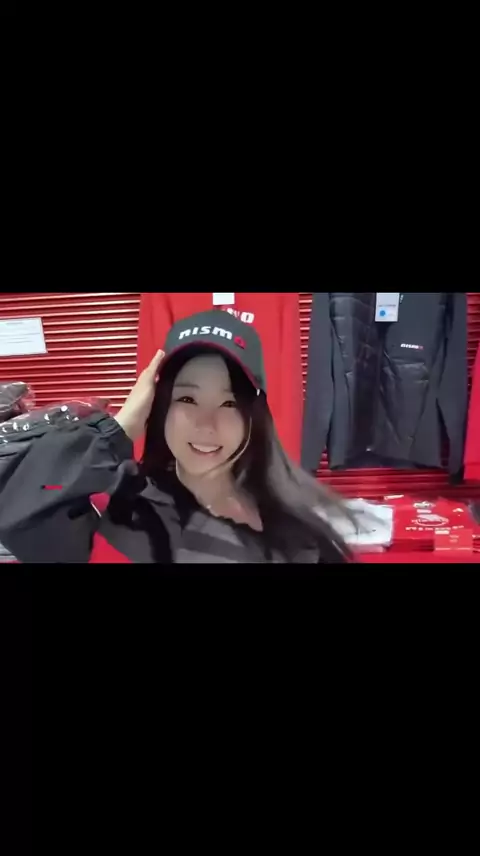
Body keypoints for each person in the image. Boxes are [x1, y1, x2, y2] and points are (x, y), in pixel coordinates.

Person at [0, 309, 356, 566]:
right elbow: (15, 510)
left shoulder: (297, 534)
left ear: (254, 415)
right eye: (186, 399)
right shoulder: (113, 502)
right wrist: (118, 429)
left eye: (229, 402)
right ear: (158, 405)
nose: (206, 424)